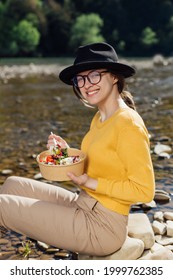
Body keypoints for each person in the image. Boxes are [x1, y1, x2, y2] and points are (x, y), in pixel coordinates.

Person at [0, 42, 155, 257]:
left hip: (102, 227)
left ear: (114, 77)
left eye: (94, 75)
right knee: (12, 185)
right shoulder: (101, 116)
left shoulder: (128, 124)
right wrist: (64, 154)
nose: (86, 84)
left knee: (2, 206)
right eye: (80, 78)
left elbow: (144, 191)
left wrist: (91, 183)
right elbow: (100, 163)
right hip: (83, 203)